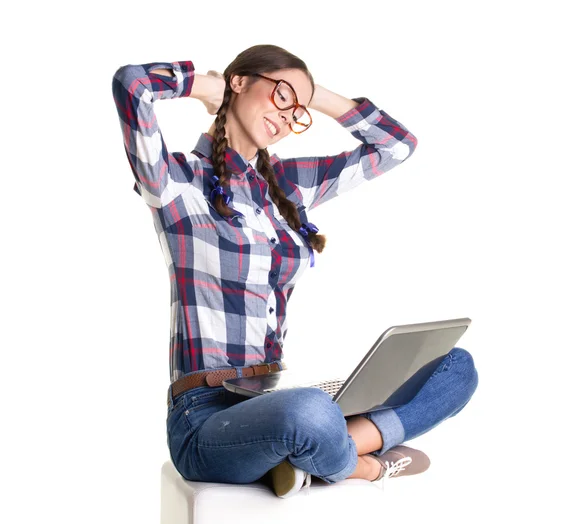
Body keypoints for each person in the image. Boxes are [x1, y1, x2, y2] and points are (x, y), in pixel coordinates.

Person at [112, 44, 478, 499]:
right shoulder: (174, 179)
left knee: (454, 368)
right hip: (205, 416)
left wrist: (310, 93)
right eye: (281, 96)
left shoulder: (289, 185)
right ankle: (360, 466)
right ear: (240, 82)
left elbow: (396, 145)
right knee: (308, 412)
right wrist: (212, 88)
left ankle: (310, 454)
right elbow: (132, 84)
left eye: (297, 113)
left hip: (271, 398)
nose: (288, 117)